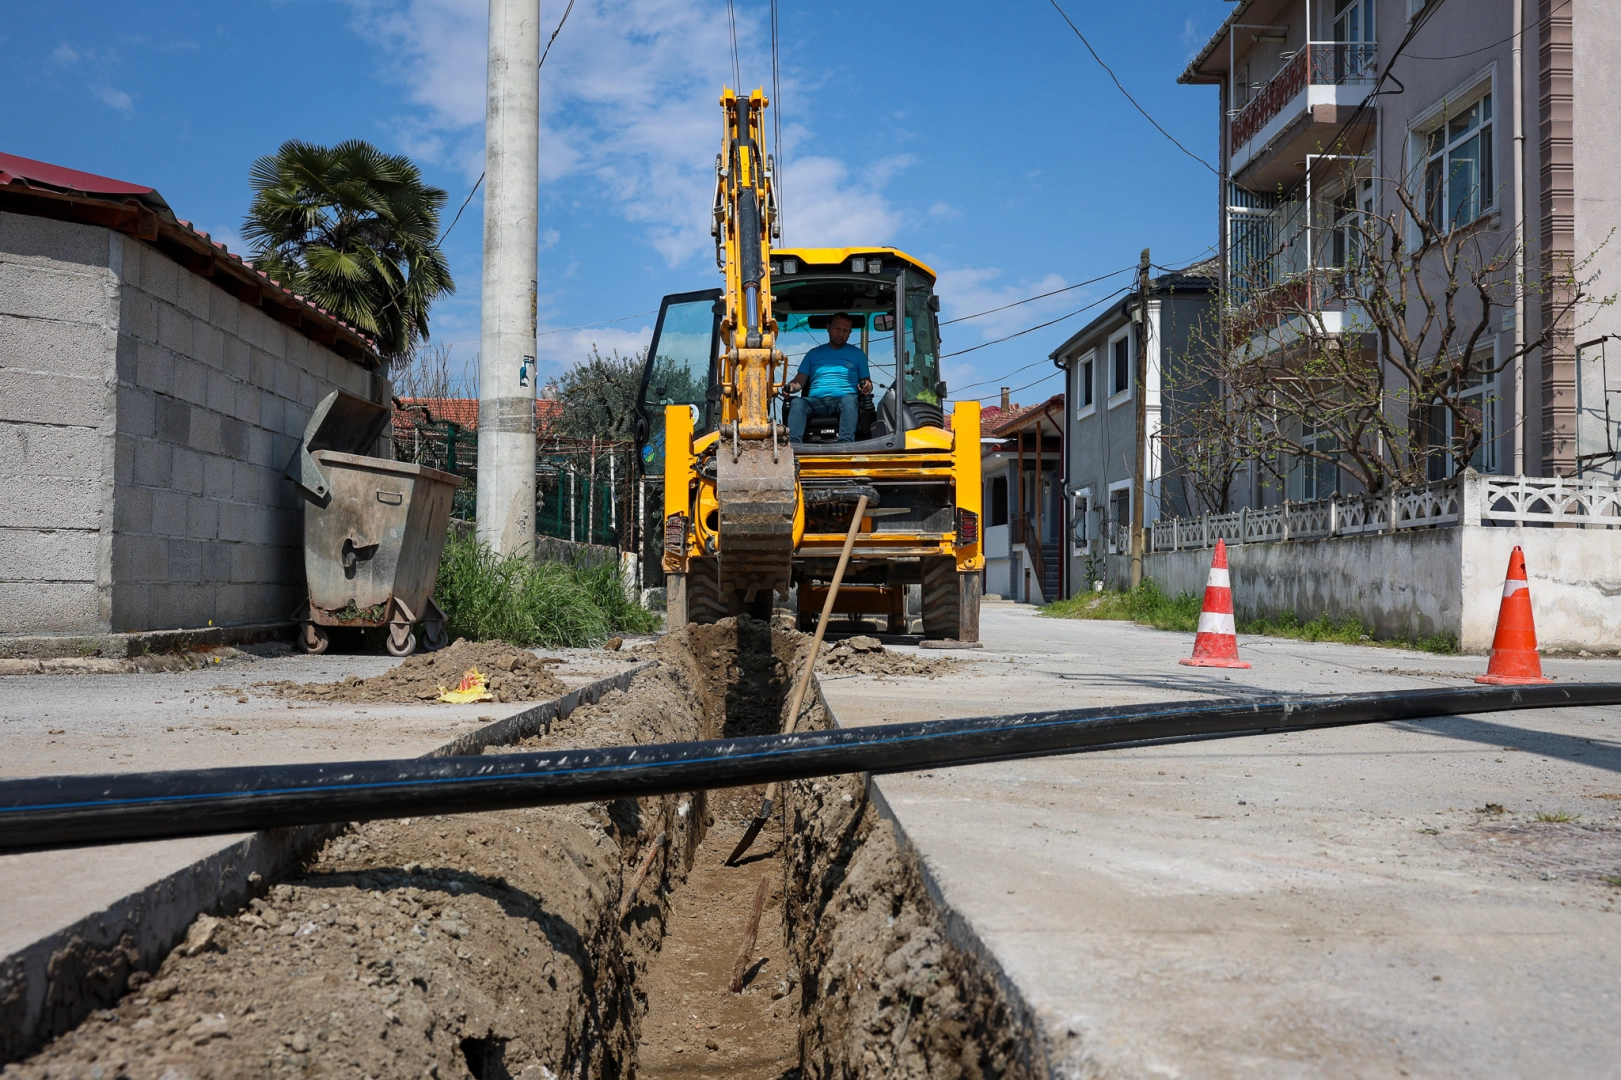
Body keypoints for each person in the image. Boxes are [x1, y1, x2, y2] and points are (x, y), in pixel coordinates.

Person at [783, 312, 872, 443]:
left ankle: (844, 445)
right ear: (828, 327)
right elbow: (799, 381)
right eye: (837, 328)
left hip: (843, 402)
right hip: (816, 402)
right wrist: (789, 388)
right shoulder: (813, 354)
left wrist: (867, 386)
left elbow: (867, 382)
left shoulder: (858, 354)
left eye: (845, 330)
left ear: (850, 333)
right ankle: (794, 446)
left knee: (850, 400)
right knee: (797, 403)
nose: (840, 333)